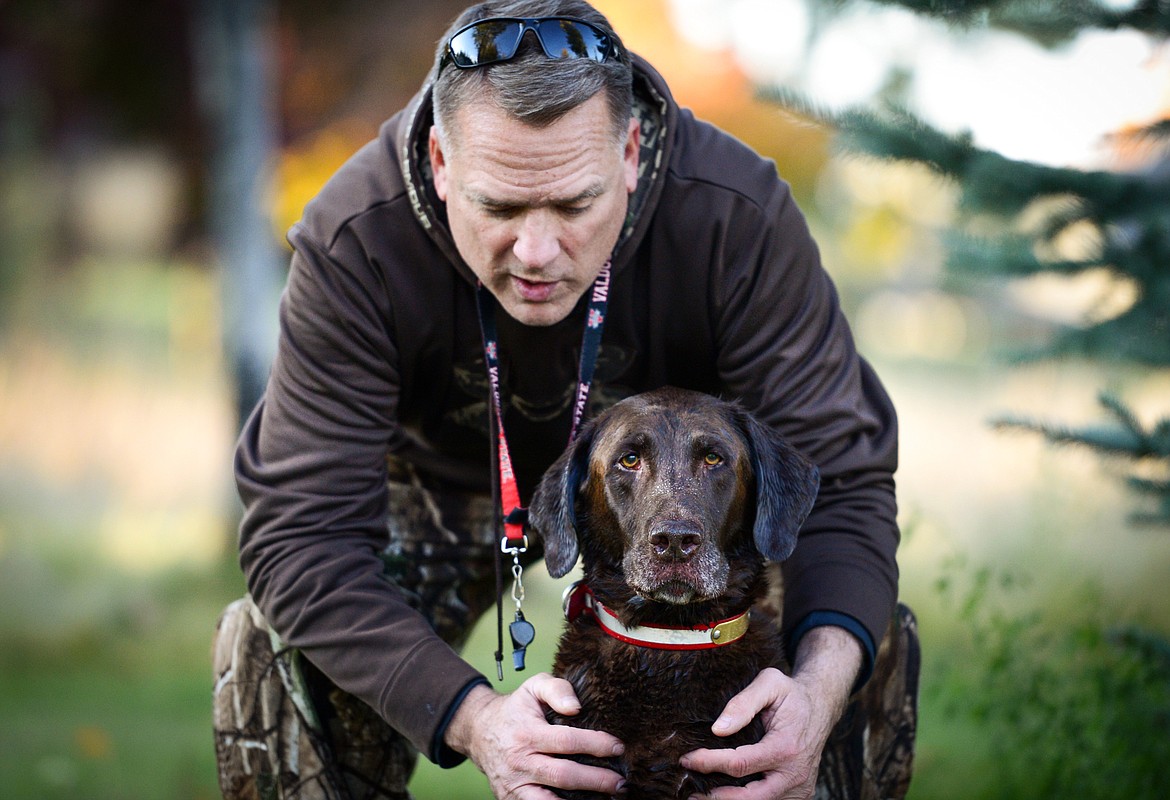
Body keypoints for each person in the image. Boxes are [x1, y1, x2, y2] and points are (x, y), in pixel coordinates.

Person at [211, 1, 918, 799]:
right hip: (435, 494)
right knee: (269, 645)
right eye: (500, 208)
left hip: (674, 496)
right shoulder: (355, 239)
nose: (538, 251)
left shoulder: (735, 215)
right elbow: (300, 534)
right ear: (441, 162)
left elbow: (846, 485)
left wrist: (817, 696)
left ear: (628, 150)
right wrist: (473, 716)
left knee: (858, 633)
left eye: (575, 206)